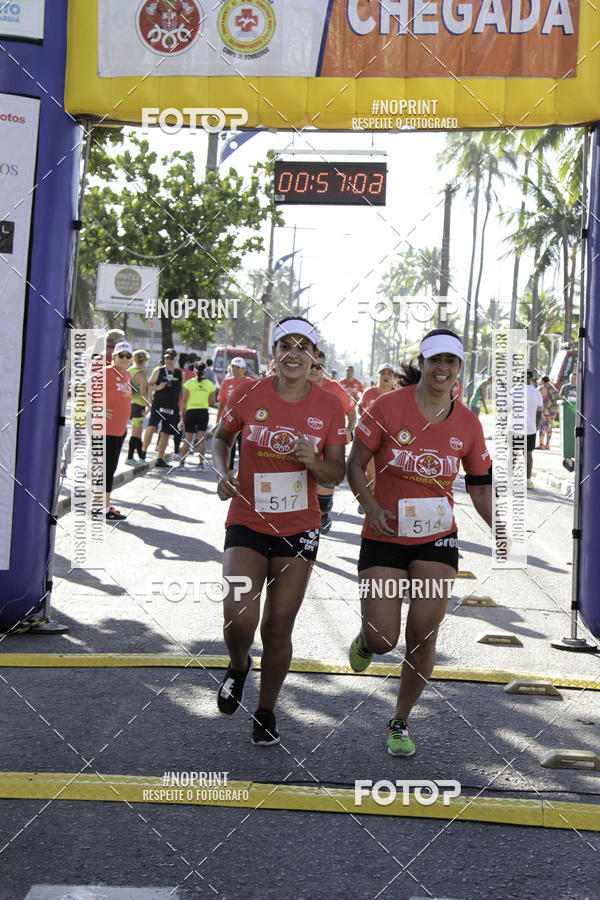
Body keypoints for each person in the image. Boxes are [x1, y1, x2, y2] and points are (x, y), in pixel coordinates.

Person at [347, 329, 495, 757]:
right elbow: (356, 465)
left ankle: (400, 719)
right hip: (385, 533)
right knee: (383, 638)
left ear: (459, 370)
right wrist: (370, 504)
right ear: (423, 363)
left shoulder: (468, 423)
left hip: (437, 538)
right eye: (436, 360)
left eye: (451, 362)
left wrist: (501, 529)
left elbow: (480, 488)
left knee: (423, 633)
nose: (442, 369)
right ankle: (366, 640)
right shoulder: (387, 407)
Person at [212, 317, 347, 746]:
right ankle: (238, 664)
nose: (293, 353)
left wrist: (314, 461)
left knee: (277, 627)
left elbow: (337, 471)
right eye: (285, 345)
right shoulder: (248, 392)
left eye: (303, 346)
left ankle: (266, 710)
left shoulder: (330, 406)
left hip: (299, 526)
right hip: (247, 518)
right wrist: (225, 470)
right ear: (274, 353)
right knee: (239, 615)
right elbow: (221, 437)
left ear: (314, 357)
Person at [308, 349, 354, 533]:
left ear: (324, 368)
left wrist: (349, 431)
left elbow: (351, 414)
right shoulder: (295, 386)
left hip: (328, 451)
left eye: (318, 366)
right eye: (310, 365)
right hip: (301, 449)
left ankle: (325, 512)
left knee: (322, 503)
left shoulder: (337, 390)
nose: (313, 370)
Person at [103, 341, 133, 520]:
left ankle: (103, 504)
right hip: (106, 429)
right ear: (114, 357)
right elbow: (83, 388)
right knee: (106, 469)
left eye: (128, 356)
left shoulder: (127, 374)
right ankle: (104, 508)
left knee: (110, 468)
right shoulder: (107, 373)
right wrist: (97, 408)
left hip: (119, 430)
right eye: (121, 355)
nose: (124, 359)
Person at [358, 363, 397, 492]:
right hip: (370, 438)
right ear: (378, 376)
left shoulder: (398, 395)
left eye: (390, 373)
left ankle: (378, 498)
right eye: (383, 373)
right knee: (371, 472)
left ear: (394, 378)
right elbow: (360, 408)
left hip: (390, 439)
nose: (386, 376)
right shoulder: (369, 392)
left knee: (388, 474)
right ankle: (368, 498)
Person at [142, 348, 183, 468]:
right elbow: (148, 386)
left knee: (166, 433)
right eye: (166, 358)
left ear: (175, 359)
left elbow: (183, 392)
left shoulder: (180, 373)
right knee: (151, 427)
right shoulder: (158, 370)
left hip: (172, 407)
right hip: (158, 404)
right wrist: (158, 387)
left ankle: (160, 459)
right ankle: (143, 453)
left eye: (171, 358)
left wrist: (183, 410)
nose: (168, 360)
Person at [216, 357, 255, 475]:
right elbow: (222, 404)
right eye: (233, 367)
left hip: (245, 422)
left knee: (244, 450)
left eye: (238, 368)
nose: (235, 370)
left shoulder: (250, 382)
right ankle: (228, 477)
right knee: (228, 450)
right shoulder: (226, 382)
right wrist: (218, 422)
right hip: (229, 421)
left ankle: (242, 476)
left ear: (243, 369)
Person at [179, 362, 216, 468]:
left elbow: (184, 401)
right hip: (203, 412)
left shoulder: (188, 383)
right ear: (205, 372)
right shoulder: (210, 384)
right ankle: (201, 464)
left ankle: (182, 463)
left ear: (194, 371)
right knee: (201, 439)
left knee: (188, 438)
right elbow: (212, 402)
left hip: (191, 412)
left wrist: (182, 417)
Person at [126, 350, 150, 466]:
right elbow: (143, 393)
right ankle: (130, 457)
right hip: (139, 404)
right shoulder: (142, 374)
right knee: (136, 433)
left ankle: (140, 457)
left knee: (138, 432)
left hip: (130, 403)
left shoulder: (129, 370)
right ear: (144, 360)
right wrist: (149, 406)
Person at [537, 375, 560, 449]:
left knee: (542, 427)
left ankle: (541, 444)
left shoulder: (541, 388)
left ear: (542, 381)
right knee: (549, 427)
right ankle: (547, 444)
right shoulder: (552, 387)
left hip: (545, 410)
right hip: (553, 410)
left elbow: (537, 400)